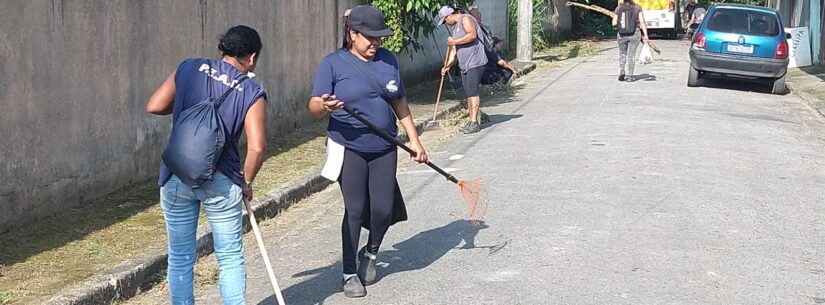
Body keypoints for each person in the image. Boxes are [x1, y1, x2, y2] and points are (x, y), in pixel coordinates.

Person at [307, 5, 428, 298]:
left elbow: (399, 101)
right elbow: (313, 107)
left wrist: (415, 140)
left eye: (379, 38)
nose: (376, 44)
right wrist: (325, 106)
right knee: (355, 209)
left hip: (385, 144)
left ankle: (371, 252)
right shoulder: (333, 63)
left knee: (384, 210)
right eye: (369, 38)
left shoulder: (387, 61)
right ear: (352, 34)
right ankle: (349, 272)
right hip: (349, 146)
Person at [146, 25, 267, 305]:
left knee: (180, 256)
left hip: (176, 175)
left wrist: (181, 108)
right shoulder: (250, 91)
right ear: (251, 58)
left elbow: (154, 105)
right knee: (229, 257)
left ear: (222, 49)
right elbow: (257, 147)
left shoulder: (189, 67)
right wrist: (246, 182)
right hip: (221, 182)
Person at [438, 5, 488, 134]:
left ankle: (474, 122)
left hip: (475, 62)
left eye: (444, 21)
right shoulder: (456, 29)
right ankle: (472, 120)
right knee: (468, 93)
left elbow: (472, 35)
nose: (445, 24)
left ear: (449, 16)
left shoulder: (466, 19)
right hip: (465, 65)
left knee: (472, 92)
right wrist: (447, 66)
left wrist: (454, 41)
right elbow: (454, 51)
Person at [612, 0, 650, 82]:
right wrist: (645, 35)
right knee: (631, 56)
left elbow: (614, 23)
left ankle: (622, 70)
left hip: (621, 34)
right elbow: (642, 22)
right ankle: (630, 76)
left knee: (622, 54)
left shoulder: (619, 8)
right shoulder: (637, 8)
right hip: (634, 34)